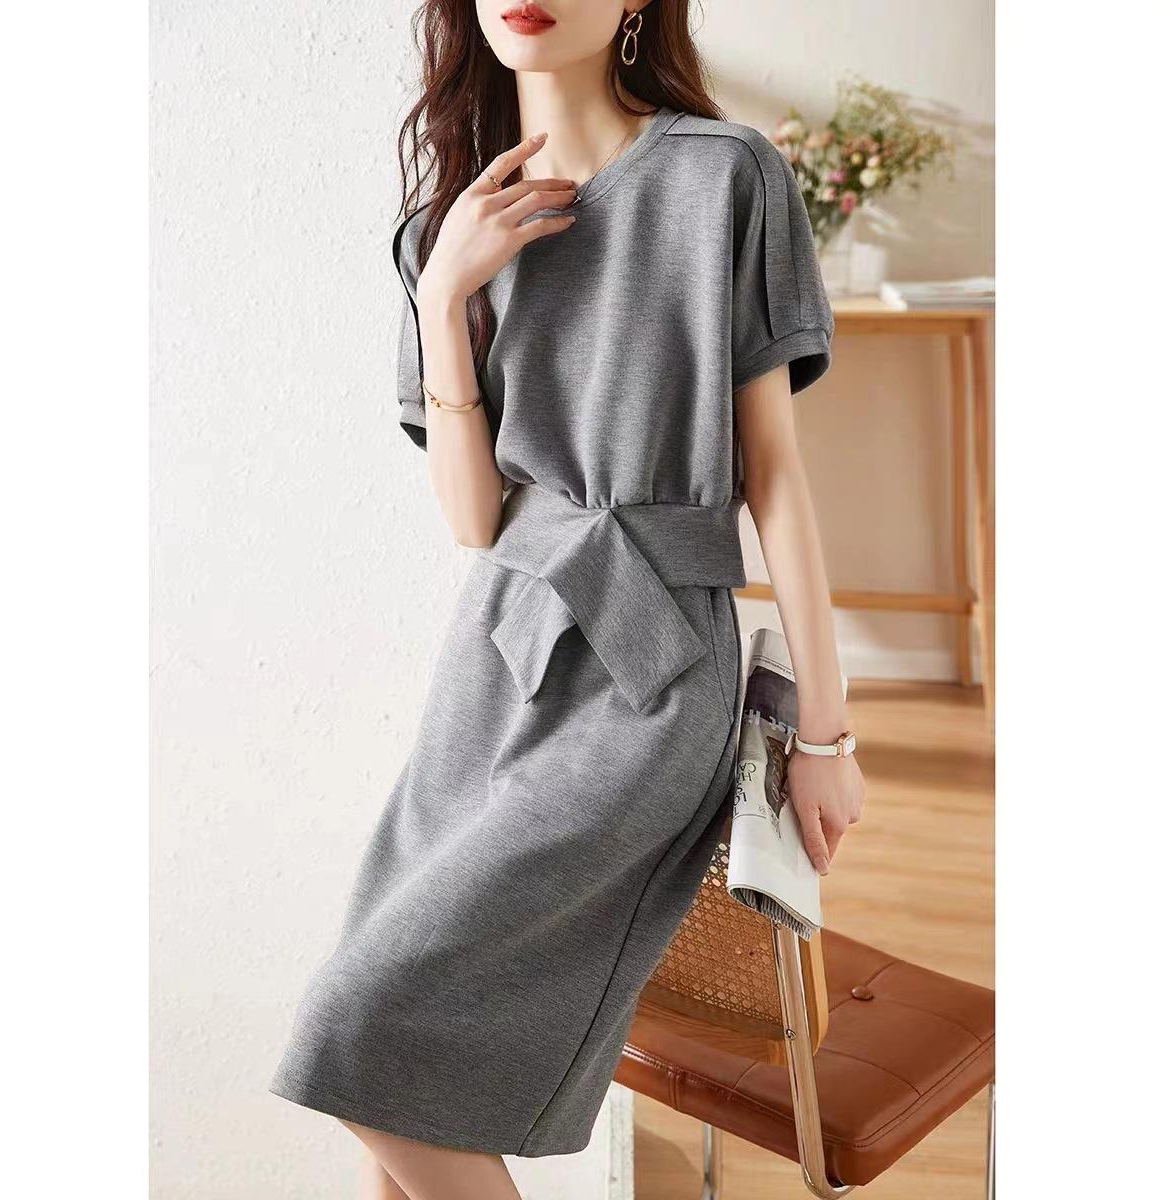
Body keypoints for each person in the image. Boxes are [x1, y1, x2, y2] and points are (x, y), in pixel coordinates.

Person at [271, 3, 866, 1197]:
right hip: (494, 659)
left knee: (355, 1037)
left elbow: (776, 476)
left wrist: (827, 733)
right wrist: (445, 300)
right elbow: (474, 520)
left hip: (654, 674)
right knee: (397, 1070)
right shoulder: (443, 232)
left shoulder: (724, 177)